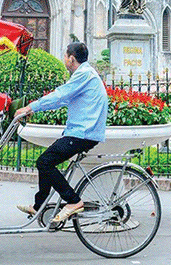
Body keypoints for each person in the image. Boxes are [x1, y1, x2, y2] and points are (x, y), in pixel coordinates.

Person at [13, 42, 107, 224]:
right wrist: (34, 109)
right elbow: (61, 100)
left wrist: (31, 106)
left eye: (65, 56)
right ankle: (39, 205)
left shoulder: (84, 75)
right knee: (46, 161)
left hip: (83, 133)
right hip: (82, 132)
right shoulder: (86, 74)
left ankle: (73, 201)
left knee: (44, 162)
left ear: (71, 58)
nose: (64, 59)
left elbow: (60, 94)